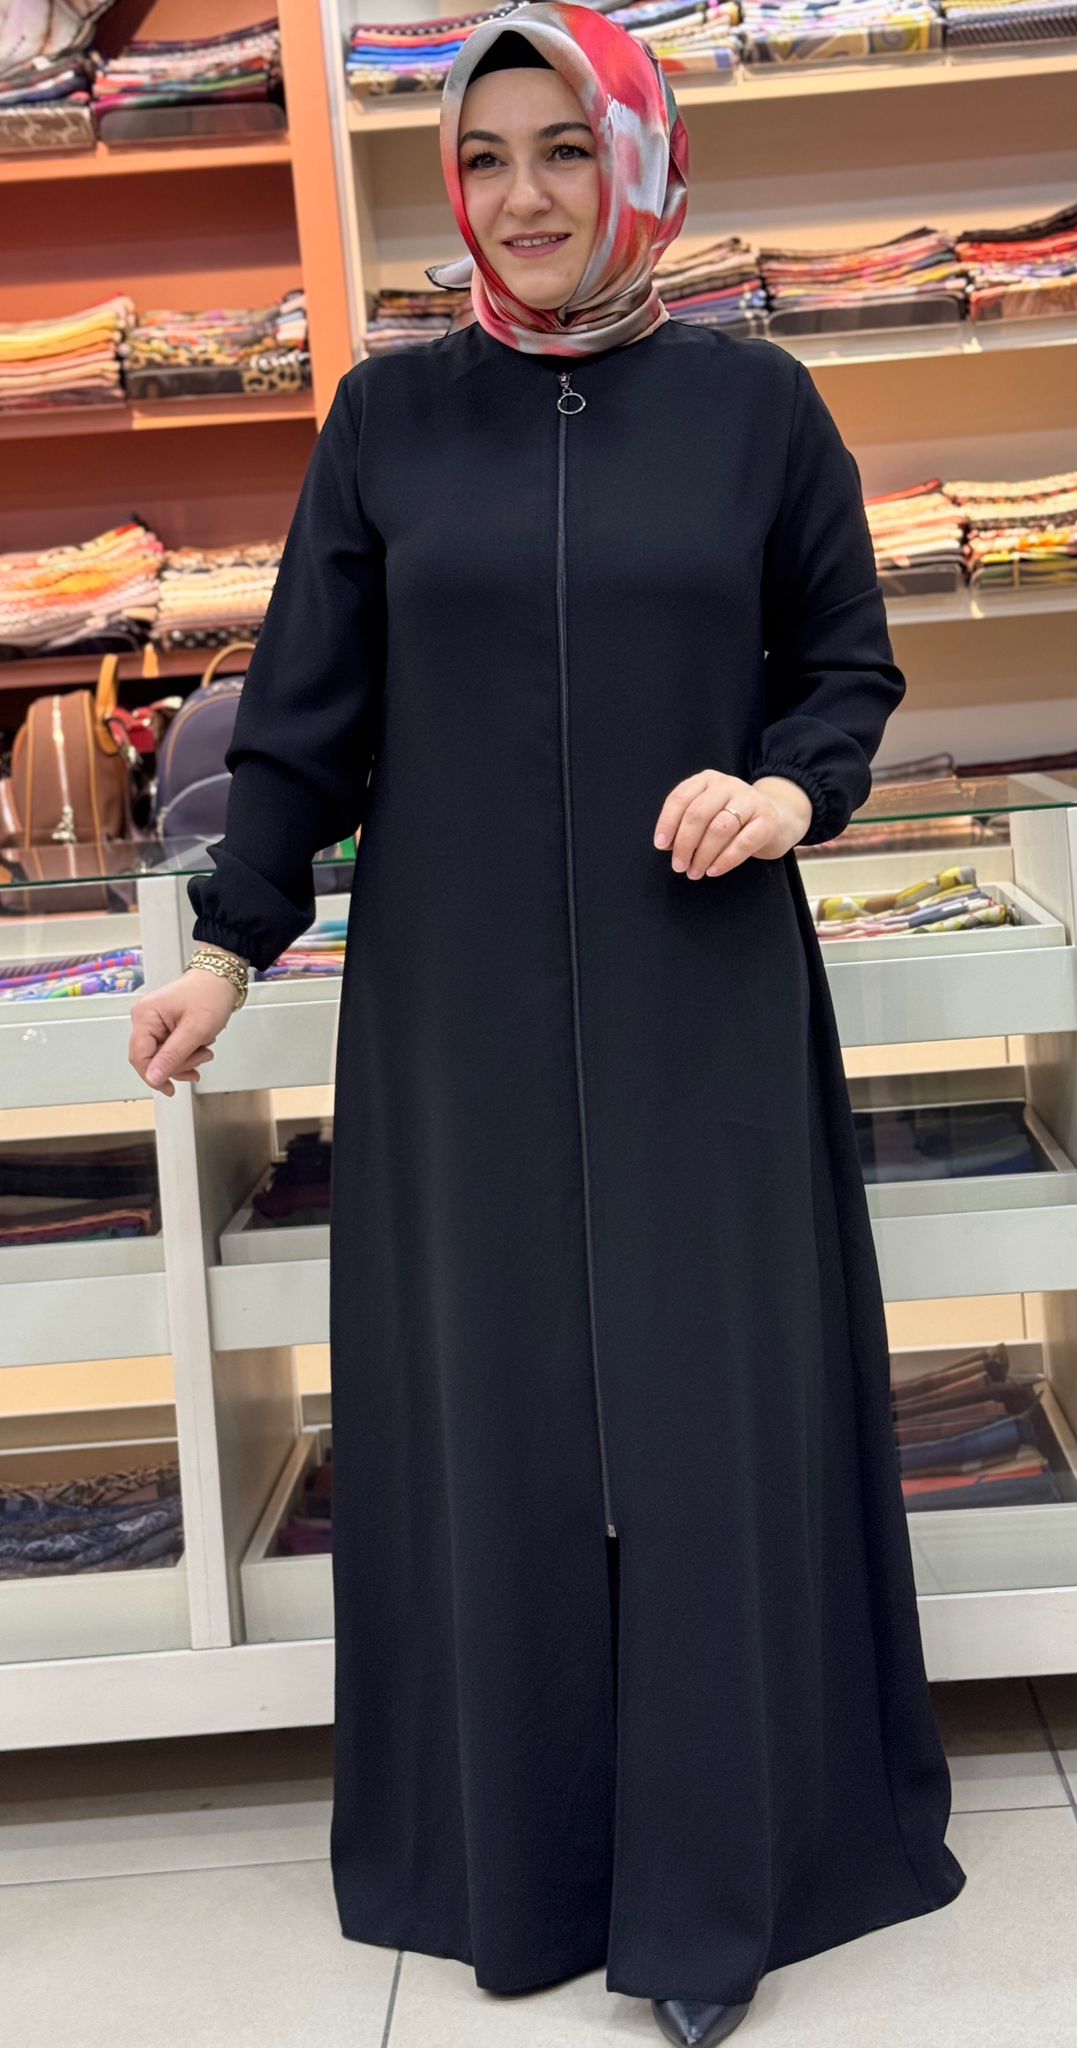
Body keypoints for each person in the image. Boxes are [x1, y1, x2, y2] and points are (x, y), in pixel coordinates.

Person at [127, 5, 967, 2043]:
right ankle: (516, 1857)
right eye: (488, 157)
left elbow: (843, 672)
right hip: (458, 1011)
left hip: (702, 988)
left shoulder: (760, 410)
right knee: (492, 1413)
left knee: (706, 1419)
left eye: (567, 149)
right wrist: (228, 952)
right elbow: (303, 731)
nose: (523, 197)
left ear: (640, 163)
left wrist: (787, 793)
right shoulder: (388, 424)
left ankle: (721, 1887)